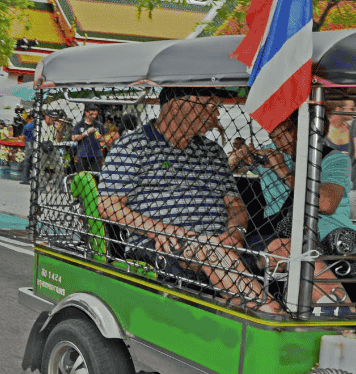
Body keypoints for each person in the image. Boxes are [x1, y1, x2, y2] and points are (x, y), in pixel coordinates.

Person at [98, 86, 281, 314]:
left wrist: (235, 233)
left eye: (216, 107)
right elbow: (108, 206)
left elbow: (235, 204)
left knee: (288, 247)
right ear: (176, 105)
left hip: (222, 243)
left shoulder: (212, 151)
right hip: (161, 246)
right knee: (211, 249)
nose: (216, 115)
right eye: (208, 106)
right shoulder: (131, 146)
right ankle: (269, 316)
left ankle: (333, 314)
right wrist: (163, 231)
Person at [253, 110, 354, 309]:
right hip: (274, 235)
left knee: (302, 248)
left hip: (330, 238)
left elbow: (326, 203)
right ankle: (340, 311)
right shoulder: (270, 155)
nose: (280, 142)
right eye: (274, 136)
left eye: (285, 133)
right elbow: (236, 166)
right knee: (284, 248)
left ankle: (341, 313)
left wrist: (284, 173)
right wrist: (242, 156)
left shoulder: (334, 160)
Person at [71, 103, 105, 172]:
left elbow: (105, 139)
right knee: (82, 176)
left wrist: (100, 138)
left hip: (96, 155)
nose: (94, 114)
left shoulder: (99, 125)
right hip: (82, 155)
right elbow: (73, 138)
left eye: (96, 112)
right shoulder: (79, 124)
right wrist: (86, 133)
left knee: (97, 175)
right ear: (86, 112)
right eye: (92, 112)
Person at [20, 113, 35, 185]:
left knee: (27, 161)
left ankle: (25, 179)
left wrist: (25, 142)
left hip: (29, 143)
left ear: (31, 118)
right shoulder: (41, 125)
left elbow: (23, 137)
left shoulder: (28, 126)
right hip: (39, 144)